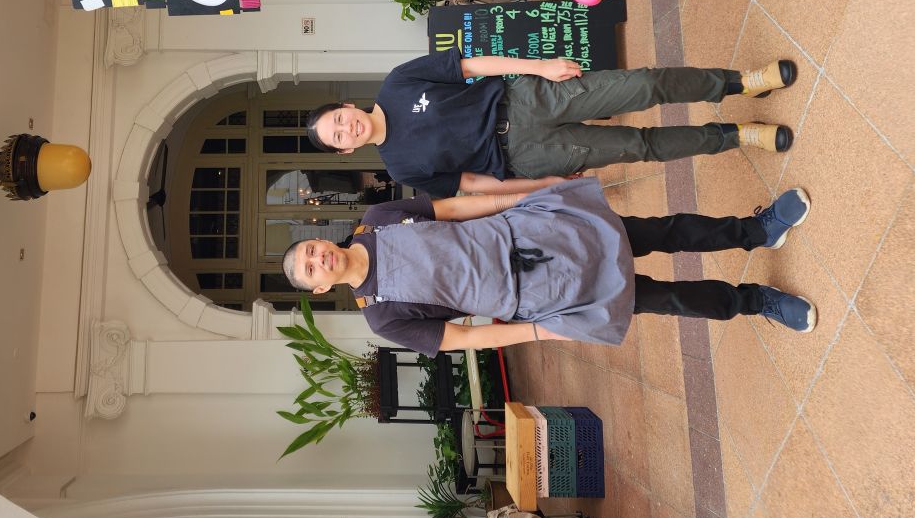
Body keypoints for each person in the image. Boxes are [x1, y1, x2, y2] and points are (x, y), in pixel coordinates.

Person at [281, 177, 816, 356]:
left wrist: (518, 201)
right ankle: (755, 302)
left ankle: (756, 231)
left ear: (318, 242)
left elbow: (452, 209)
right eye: (310, 270)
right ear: (320, 287)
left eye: (309, 251)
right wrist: (539, 331)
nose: (316, 259)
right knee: (660, 299)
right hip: (534, 296)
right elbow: (464, 340)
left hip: (528, 230)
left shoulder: (378, 218)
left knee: (658, 230)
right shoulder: (382, 317)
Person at [306, 50, 797, 198]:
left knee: (641, 86)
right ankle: (734, 137)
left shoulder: (397, 83)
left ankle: (740, 82)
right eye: (338, 138)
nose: (346, 129)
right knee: (637, 146)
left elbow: (470, 68)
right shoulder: (402, 168)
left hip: (522, 101)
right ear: (346, 152)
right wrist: (542, 184)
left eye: (339, 120)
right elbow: (471, 185)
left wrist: (537, 67)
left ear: (347, 107)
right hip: (525, 157)